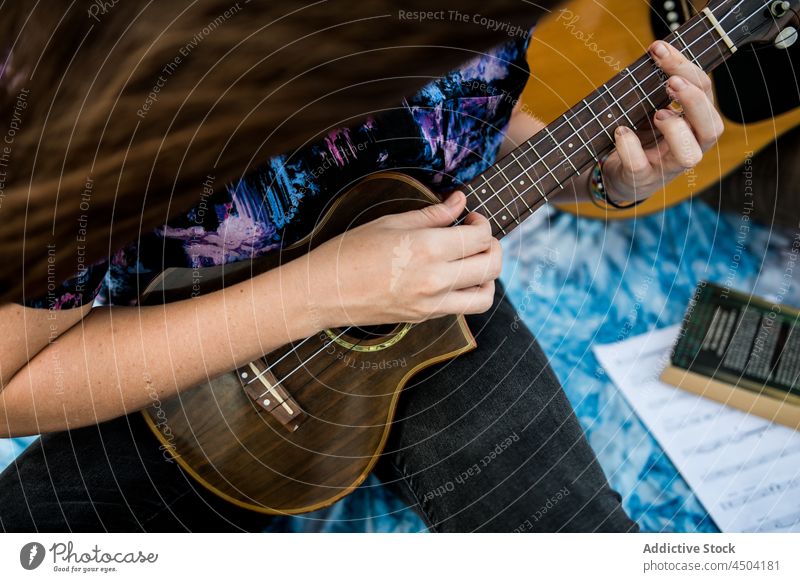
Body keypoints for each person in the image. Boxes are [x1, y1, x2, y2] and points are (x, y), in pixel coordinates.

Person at [0, 19, 724, 531]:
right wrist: (321, 291)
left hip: (420, 304)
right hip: (166, 348)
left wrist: (605, 173)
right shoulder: (98, 65)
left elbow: (458, 115)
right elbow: (9, 389)